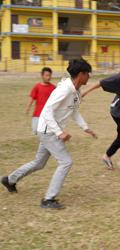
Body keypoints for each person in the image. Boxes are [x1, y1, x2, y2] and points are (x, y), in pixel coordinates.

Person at [1, 59, 97, 209]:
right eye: (88, 74)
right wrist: (59, 132)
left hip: (50, 130)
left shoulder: (76, 91)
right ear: (80, 75)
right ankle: (48, 199)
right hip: (48, 131)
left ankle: (10, 180)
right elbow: (46, 112)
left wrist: (85, 128)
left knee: (39, 163)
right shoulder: (64, 89)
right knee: (66, 162)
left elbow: (74, 111)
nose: (89, 77)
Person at [26, 67, 56, 134]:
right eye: (46, 75)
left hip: (48, 115)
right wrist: (28, 108)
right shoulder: (37, 87)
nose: (48, 77)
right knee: (35, 130)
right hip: (37, 114)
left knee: (44, 132)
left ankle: (44, 143)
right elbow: (31, 98)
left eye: (50, 75)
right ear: (42, 76)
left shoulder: (53, 88)